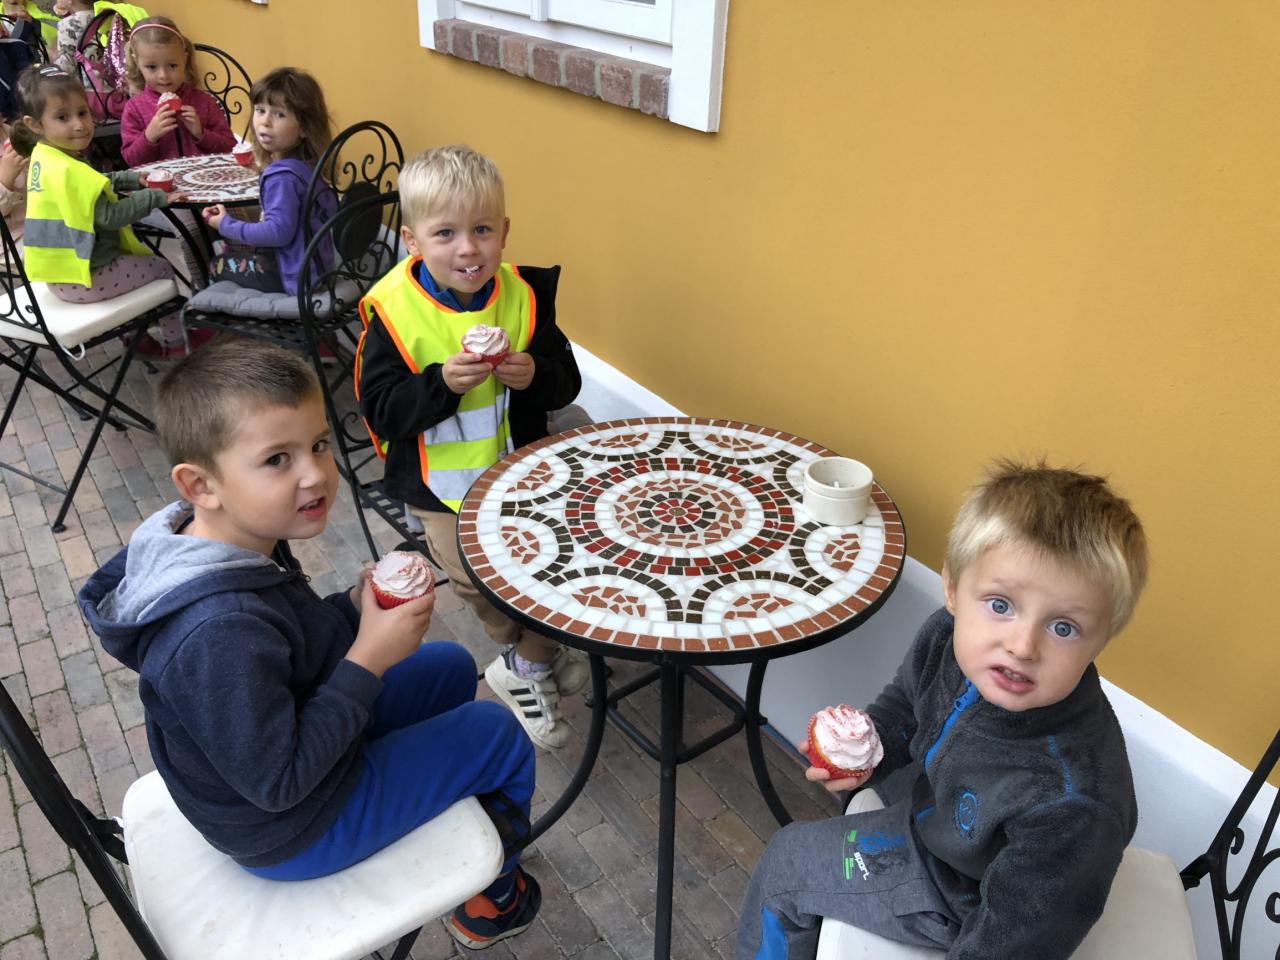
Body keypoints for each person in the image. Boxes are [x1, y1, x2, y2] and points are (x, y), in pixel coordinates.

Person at [77, 337, 545, 951]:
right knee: (497, 734)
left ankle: (440, 794)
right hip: (289, 826)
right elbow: (278, 781)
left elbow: (289, 645)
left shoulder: (230, 535)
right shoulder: (213, 631)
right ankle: (494, 902)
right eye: (278, 458)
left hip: (298, 744)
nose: (315, 474)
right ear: (200, 484)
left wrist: (351, 609)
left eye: (319, 444)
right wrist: (368, 656)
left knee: (450, 666)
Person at [735, 460, 1150, 960]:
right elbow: (906, 706)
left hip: (965, 895)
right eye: (1000, 605)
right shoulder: (945, 638)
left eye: (1063, 628)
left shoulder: (1072, 808)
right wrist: (869, 753)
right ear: (952, 589)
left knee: (786, 866)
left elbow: (1016, 943)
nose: (1022, 646)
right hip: (936, 809)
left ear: (1103, 639)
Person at [355, 144, 587, 750]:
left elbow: (567, 380)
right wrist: (441, 386)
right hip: (442, 488)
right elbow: (380, 409)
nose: (468, 249)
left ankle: (529, 663)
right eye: (446, 233)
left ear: (504, 232)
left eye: (482, 230)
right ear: (412, 241)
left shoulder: (522, 295)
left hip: (521, 472)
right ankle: (530, 652)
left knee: (545, 571)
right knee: (479, 584)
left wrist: (534, 373)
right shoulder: (395, 313)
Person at [14, 64, 187, 351]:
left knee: (133, 265)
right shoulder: (70, 168)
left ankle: (137, 341)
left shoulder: (46, 158)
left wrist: (130, 179)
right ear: (35, 125)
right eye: (62, 117)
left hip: (57, 276)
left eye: (82, 113)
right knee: (161, 269)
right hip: (89, 277)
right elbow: (112, 216)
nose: (79, 125)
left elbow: (93, 182)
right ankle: (178, 343)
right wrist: (155, 197)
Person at [200, 66, 335, 295]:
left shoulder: (281, 178)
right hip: (319, 267)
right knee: (238, 241)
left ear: (304, 128)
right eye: (260, 110)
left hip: (292, 276)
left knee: (216, 265)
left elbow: (277, 233)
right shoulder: (309, 165)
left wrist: (224, 224)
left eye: (279, 114)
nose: (265, 122)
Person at [118, 16, 234, 165]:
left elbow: (230, 147)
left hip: (203, 177)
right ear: (137, 62)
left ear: (184, 59)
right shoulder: (134, 109)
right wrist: (149, 136)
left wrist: (201, 133)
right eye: (152, 67)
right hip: (159, 180)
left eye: (172, 65)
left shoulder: (205, 102)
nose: (163, 76)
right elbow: (132, 160)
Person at [51, 0, 92, 75]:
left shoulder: (66, 24)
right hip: (107, 71)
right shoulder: (104, 13)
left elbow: (66, 64)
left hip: (86, 77)